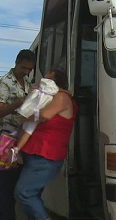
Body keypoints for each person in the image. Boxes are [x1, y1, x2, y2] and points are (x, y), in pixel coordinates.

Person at [14, 67, 77, 220]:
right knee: (32, 194)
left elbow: (44, 115)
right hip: (37, 152)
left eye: (47, 78)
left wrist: (25, 115)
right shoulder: (48, 97)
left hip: (46, 154)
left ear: (54, 82)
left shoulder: (61, 97)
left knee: (24, 192)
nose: (42, 81)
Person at [0, 49, 36, 220]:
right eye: (23, 68)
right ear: (16, 62)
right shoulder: (5, 83)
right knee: (6, 185)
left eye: (29, 70)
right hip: (6, 136)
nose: (26, 72)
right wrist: (20, 102)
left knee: (12, 187)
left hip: (19, 135)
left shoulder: (26, 81)